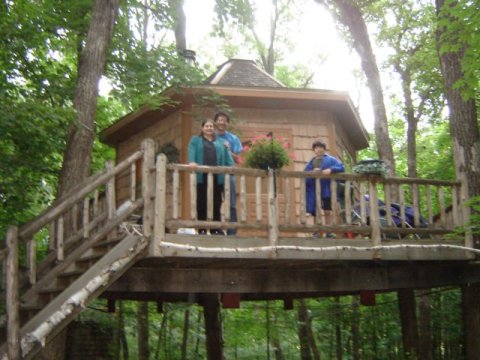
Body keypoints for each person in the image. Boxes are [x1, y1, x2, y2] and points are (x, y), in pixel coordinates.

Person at [188, 119, 234, 235]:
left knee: (217, 202)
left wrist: (228, 149)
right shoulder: (196, 140)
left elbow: (229, 159)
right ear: (202, 128)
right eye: (207, 126)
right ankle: (202, 228)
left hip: (217, 177)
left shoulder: (221, 141)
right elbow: (192, 152)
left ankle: (215, 229)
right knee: (201, 202)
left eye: (211, 126)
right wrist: (192, 162)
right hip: (201, 176)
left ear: (214, 129)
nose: (209, 128)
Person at [305, 140, 345, 237]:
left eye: (321, 147)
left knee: (327, 210)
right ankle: (317, 231)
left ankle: (328, 231)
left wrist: (331, 170)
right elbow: (305, 174)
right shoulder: (311, 162)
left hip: (327, 189)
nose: (319, 149)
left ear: (324, 149)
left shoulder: (331, 160)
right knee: (316, 211)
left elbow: (341, 167)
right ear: (314, 150)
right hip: (314, 191)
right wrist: (312, 172)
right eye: (317, 148)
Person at [214, 111, 243, 235]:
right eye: (219, 120)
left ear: (227, 123)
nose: (222, 122)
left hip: (229, 173)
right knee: (214, 200)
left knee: (230, 201)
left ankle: (232, 231)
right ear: (215, 122)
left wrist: (227, 150)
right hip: (214, 173)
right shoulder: (210, 136)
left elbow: (238, 159)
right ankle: (216, 230)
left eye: (224, 120)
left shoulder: (233, 138)